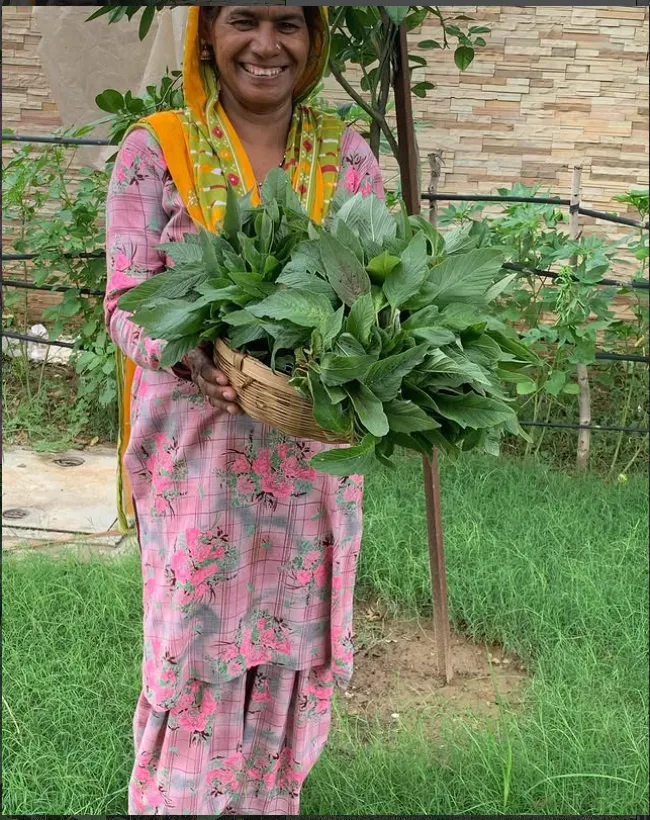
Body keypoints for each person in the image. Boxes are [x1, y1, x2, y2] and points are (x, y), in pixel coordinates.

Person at [104, 6, 383, 815]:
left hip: (310, 466)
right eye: (243, 20)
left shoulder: (347, 155)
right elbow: (126, 301)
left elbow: (373, 293)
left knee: (288, 653)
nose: (267, 45)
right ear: (206, 34)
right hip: (199, 463)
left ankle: (269, 801)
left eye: (289, 22)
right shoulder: (157, 149)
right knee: (198, 647)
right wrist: (195, 354)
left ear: (315, 36)